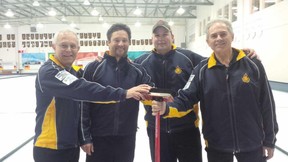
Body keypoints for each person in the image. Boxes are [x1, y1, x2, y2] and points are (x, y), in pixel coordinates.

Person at [151, 19, 278, 162]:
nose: (219, 38)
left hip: (252, 143)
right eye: (214, 36)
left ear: (232, 36)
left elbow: (267, 104)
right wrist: (166, 108)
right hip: (218, 145)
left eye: (223, 34)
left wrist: (269, 139)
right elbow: (186, 97)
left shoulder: (253, 64)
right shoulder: (201, 70)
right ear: (208, 41)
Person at [33, 29, 150, 162]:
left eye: (73, 46)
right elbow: (83, 89)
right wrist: (124, 93)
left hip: (71, 145)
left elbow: (81, 83)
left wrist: (106, 62)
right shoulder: (49, 72)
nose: (69, 50)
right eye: (64, 45)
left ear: (78, 48)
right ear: (54, 47)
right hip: (51, 147)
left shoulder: (72, 72)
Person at [79, 23, 154, 162]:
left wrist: (161, 98)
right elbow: (83, 104)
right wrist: (85, 137)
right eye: (116, 40)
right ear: (108, 42)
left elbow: (151, 91)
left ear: (129, 42)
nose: (121, 44)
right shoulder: (93, 68)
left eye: (124, 40)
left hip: (126, 136)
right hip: (98, 136)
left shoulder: (137, 71)